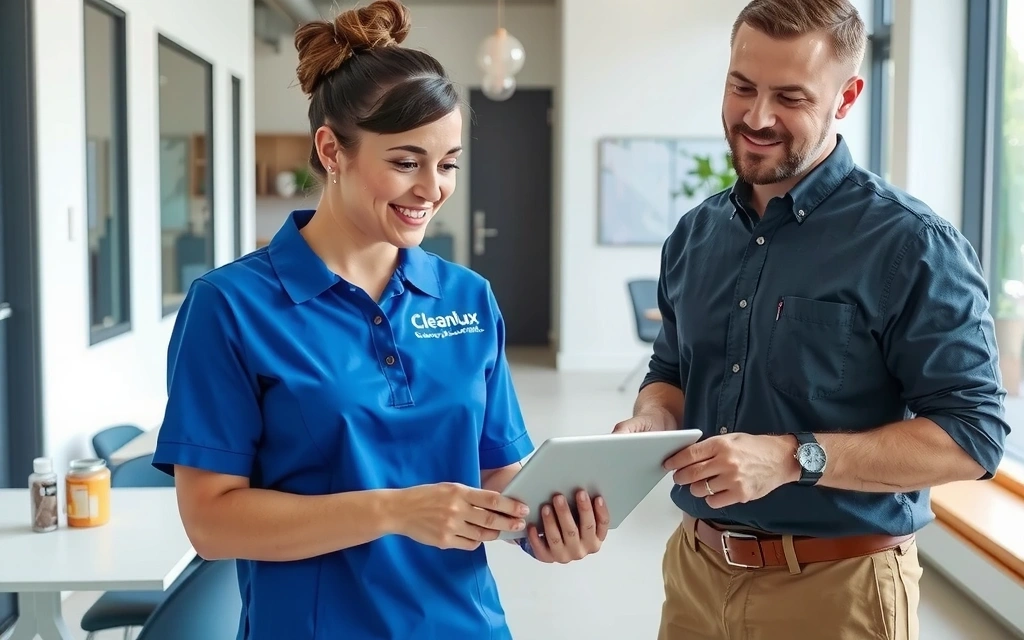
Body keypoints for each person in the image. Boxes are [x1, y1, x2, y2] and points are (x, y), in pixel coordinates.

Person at [151, 2, 610, 638]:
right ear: (331, 149)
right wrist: (394, 512)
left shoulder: (467, 298)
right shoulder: (231, 306)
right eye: (405, 161)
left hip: (465, 624)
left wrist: (546, 528)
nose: (432, 188)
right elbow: (212, 523)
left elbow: (498, 473)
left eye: (447, 163)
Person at [612, 1, 1009, 639]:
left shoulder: (912, 245)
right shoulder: (695, 234)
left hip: (838, 592)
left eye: (790, 97)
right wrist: (652, 416)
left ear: (846, 96)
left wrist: (797, 459)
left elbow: (973, 436)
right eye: (742, 87)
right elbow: (671, 369)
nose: (757, 117)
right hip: (693, 575)